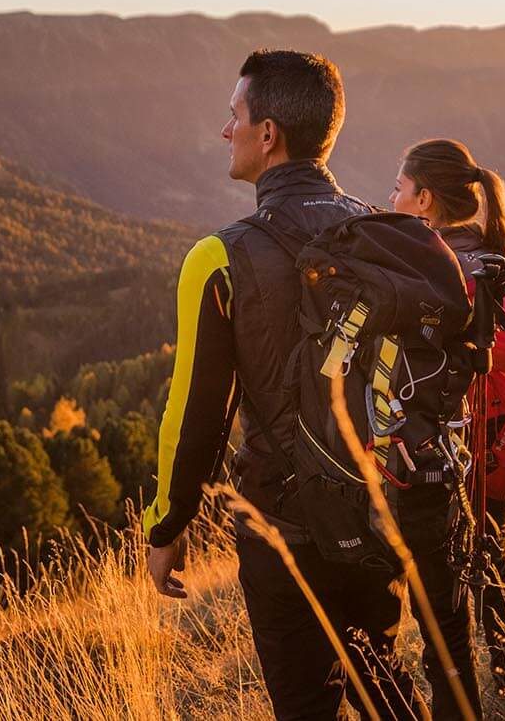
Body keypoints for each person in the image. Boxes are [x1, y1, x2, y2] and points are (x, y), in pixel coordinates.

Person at [143, 50, 470, 720]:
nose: (223, 131)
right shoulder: (385, 235)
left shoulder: (219, 257)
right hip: (375, 512)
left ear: (269, 134)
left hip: (281, 530)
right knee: (383, 688)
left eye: (233, 116)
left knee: (306, 707)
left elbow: (196, 413)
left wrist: (167, 524)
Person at [390, 138, 505, 705]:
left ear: (425, 199)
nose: (392, 198)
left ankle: (459, 697)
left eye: (399, 189)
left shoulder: (431, 269)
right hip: (495, 439)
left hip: (440, 452)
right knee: (493, 557)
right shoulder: (496, 256)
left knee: (440, 590)